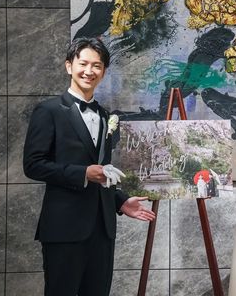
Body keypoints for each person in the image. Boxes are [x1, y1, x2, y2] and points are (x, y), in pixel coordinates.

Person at [23, 37, 156, 296]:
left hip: (102, 230)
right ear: (69, 66)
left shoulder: (106, 116)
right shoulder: (48, 111)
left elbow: (102, 172)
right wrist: (83, 173)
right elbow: (33, 165)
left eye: (97, 66)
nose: (89, 71)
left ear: (103, 72)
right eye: (83, 63)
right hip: (64, 228)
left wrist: (120, 201)